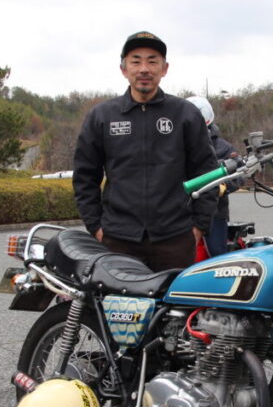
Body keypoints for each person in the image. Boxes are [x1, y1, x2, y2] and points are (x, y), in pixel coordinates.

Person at [72, 31, 218, 272]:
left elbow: (207, 173)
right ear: (123, 69)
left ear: (164, 68)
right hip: (117, 239)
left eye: (152, 61)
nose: (144, 69)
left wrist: (198, 227)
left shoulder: (185, 114)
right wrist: (96, 227)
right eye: (136, 61)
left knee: (175, 298)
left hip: (175, 238)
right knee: (115, 298)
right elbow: (85, 176)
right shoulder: (102, 116)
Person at [186, 96, 242, 258]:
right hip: (181, 212)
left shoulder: (224, 148)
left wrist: (222, 186)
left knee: (217, 256)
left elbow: (239, 176)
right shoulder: (175, 145)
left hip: (215, 212)